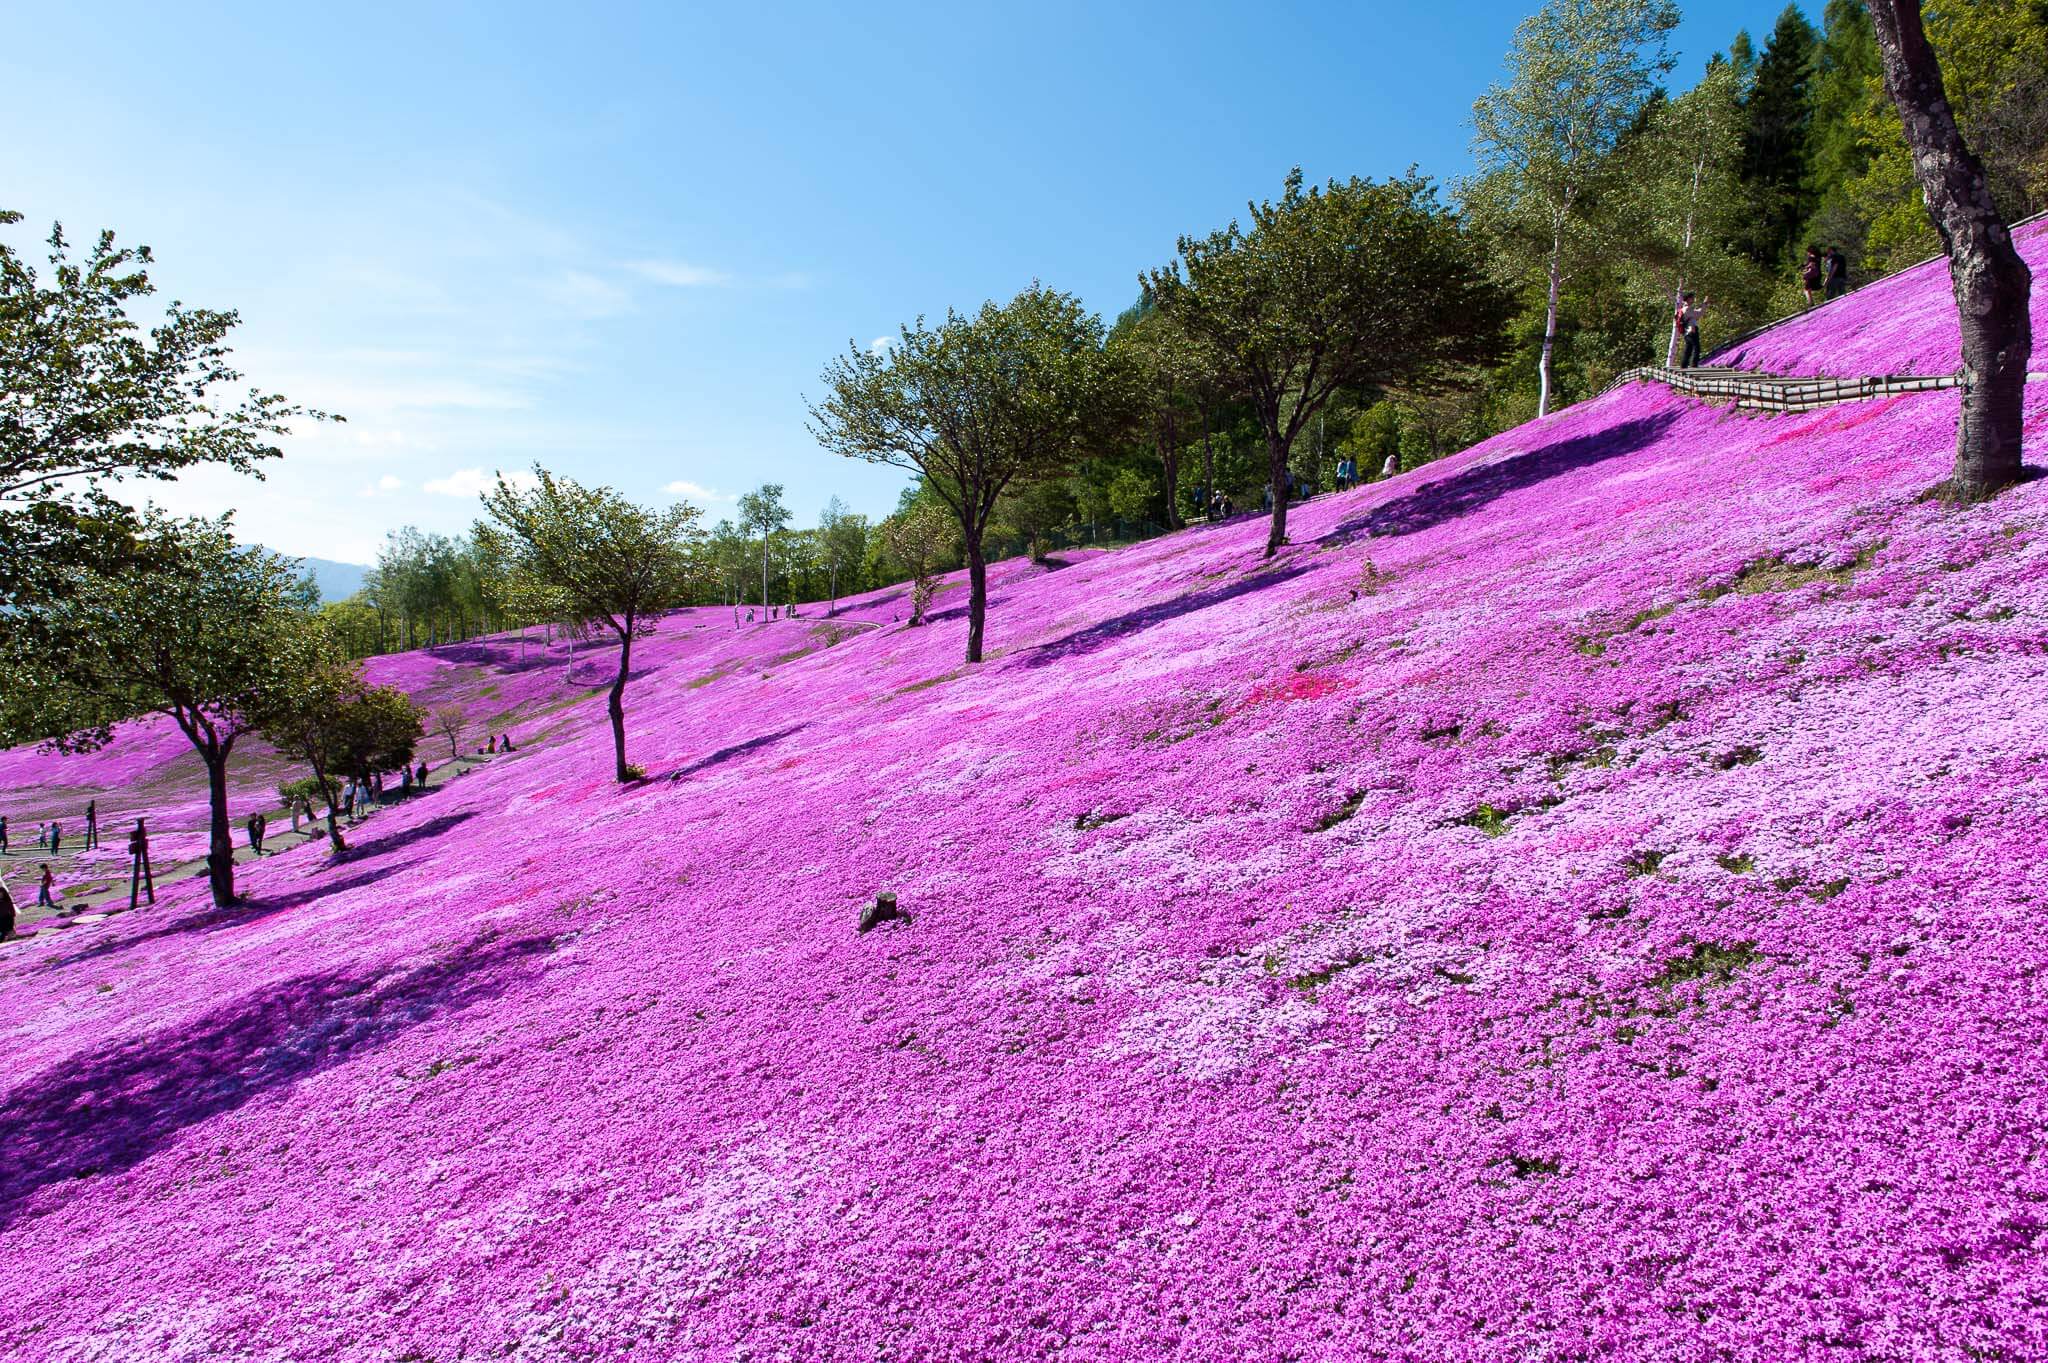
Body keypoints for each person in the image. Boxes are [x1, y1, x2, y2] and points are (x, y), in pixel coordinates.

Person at [128, 818, 154, 909]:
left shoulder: (139, 841)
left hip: (139, 846)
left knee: (140, 870)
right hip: (140, 846)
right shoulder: (140, 840)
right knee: (144, 869)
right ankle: (150, 899)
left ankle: (135, 905)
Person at [1675, 293, 1707, 369]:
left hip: (1686, 332)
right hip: (1692, 330)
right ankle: (1694, 365)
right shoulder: (1688, 309)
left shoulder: (1683, 309)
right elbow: (1699, 314)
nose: (1693, 300)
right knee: (1697, 347)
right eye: (1692, 298)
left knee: (1688, 349)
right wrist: (1705, 304)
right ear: (1688, 299)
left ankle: (1684, 365)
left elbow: (1697, 313)